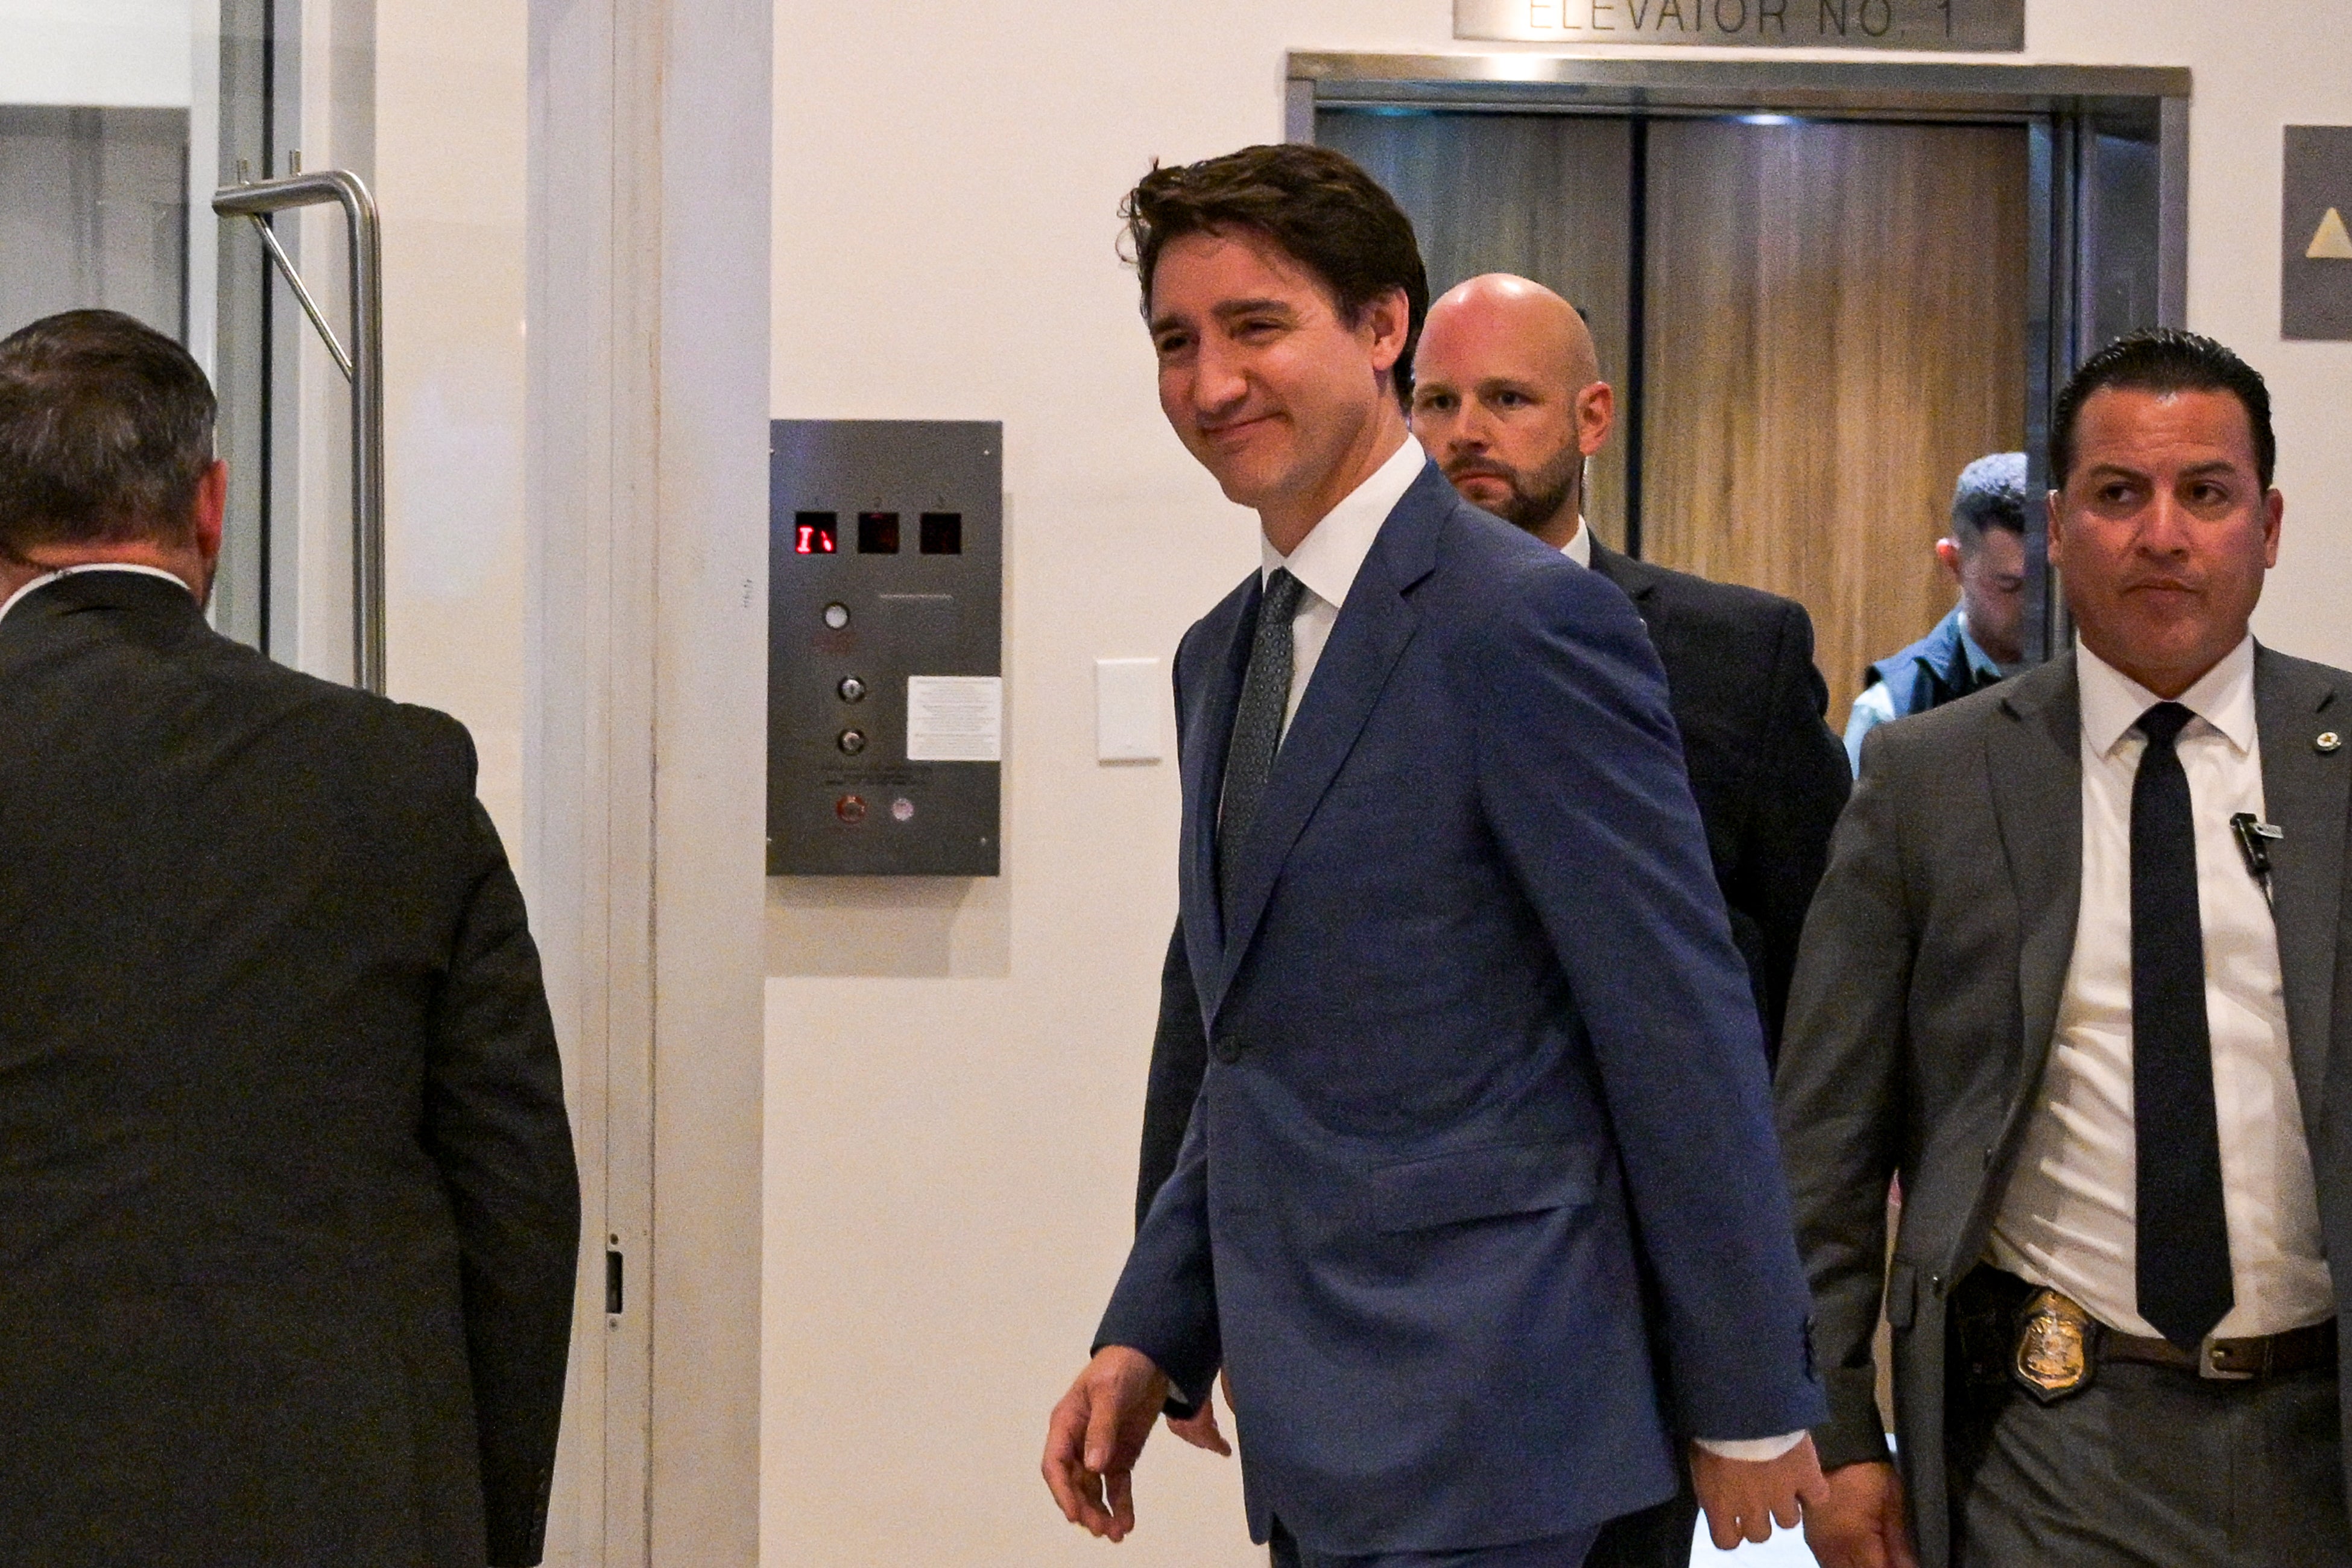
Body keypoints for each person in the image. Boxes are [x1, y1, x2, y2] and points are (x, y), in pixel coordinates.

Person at [1041, 143, 1826, 1568]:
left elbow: (1675, 1016)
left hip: (1511, 1425)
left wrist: (1752, 1394)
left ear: (1383, 328)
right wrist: (1151, 1325)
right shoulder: (1224, 656)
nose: (1210, 383)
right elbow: (1250, 1046)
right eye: (1176, 340)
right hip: (1316, 1428)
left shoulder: (1523, 619)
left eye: (1257, 327)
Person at [0, 309, 580, 1568]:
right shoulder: (400, 776)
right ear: (211, 506)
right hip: (349, 1494)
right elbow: (519, 1195)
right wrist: (477, 1524)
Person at [1778, 328, 2352, 1568]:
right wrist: (1836, 1430)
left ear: (2270, 522)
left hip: (2322, 1444)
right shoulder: (1929, 778)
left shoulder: (2343, 757)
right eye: (2118, 494)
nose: (2163, 534)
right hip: (2047, 1445)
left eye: (2207, 493)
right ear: (2055, 526)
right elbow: (1822, 1150)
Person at [1405, 273, 1850, 1567]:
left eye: (1506, 398)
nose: (1463, 432)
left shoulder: (1731, 654)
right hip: (1402, 1289)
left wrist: (1780, 1322)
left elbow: (1824, 967)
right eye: (1436, 400)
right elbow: (1216, 987)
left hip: (1643, 1290)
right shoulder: (1333, 651)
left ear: (1592, 416)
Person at [1842, 452, 2029, 773]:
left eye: (2054, 583)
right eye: (2010, 585)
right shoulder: (1890, 712)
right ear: (1953, 562)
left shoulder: (2099, 675)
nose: (2035, 605)